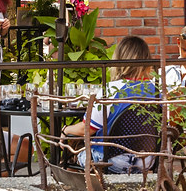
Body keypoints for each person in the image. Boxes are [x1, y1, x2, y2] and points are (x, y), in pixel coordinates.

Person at [62, 36, 158, 172]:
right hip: (146, 161)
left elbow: (87, 129)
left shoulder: (111, 90)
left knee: (73, 148)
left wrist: (65, 130)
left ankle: (77, 189)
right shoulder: (157, 91)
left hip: (111, 161)